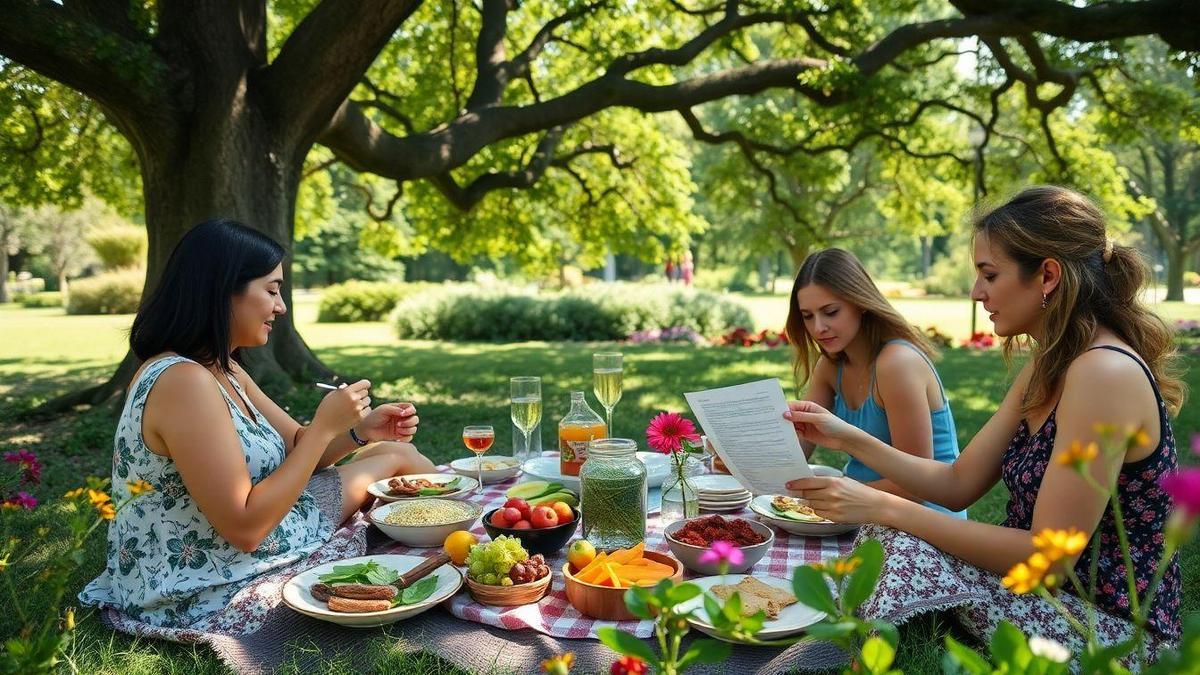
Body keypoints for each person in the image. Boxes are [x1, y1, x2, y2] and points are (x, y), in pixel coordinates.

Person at [785, 187, 1183, 655]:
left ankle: (816, 653)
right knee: (889, 540)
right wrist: (844, 434)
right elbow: (957, 483)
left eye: (988, 275)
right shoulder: (1051, 361)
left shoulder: (1103, 373)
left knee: (895, 540)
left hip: (1105, 630)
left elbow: (1048, 558)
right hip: (1036, 595)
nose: (977, 292)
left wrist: (885, 508)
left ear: (1047, 275)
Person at [79, 219, 435, 628]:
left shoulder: (223, 369)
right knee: (394, 461)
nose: (281, 306)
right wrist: (323, 428)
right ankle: (473, 543)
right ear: (222, 290)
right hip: (204, 581)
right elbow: (245, 528)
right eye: (271, 290)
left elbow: (297, 445)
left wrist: (358, 432)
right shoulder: (183, 382)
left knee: (393, 450)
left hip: (258, 529)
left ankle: (472, 536)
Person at [786, 248, 966, 518]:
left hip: (924, 523)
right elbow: (798, 447)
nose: (818, 327)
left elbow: (917, 489)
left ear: (860, 302)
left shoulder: (897, 363)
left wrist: (839, 493)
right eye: (808, 316)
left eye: (831, 312)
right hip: (859, 510)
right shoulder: (831, 367)